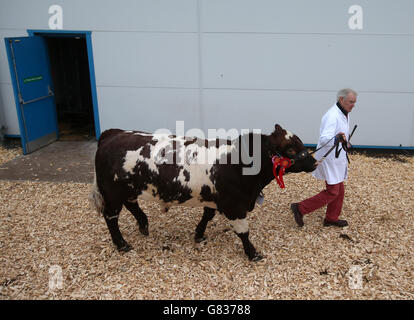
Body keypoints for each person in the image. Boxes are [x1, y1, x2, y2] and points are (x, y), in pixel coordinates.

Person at [291, 88, 357, 227]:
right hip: (330, 159)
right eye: (351, 102)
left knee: (339, 189)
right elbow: (324, 138)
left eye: (354, 102)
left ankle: (331, 218)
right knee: (333, 192)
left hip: (338, 157)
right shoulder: (332, 115)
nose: (353, 105)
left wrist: (345, 141)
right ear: (341, 100)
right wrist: (337, 138)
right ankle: (300, 208)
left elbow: (340, 133)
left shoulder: (344, 113)